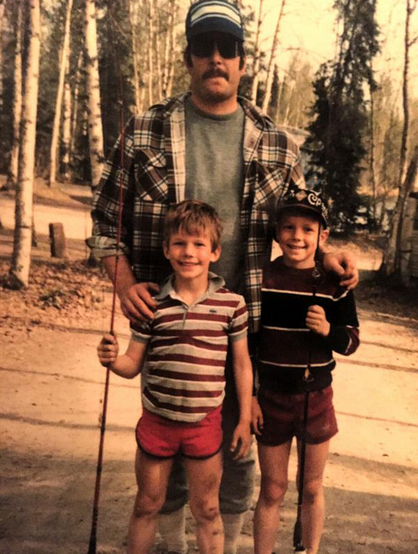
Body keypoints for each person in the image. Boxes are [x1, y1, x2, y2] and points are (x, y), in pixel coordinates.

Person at [87, 1, 358, 551]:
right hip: (168, 327)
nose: (216, 57)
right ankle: (171, 544)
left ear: (242, 60)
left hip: (245, 327)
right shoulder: (144, 130)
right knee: (168, 447)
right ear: (189, 56)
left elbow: (303, 222)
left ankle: (228, 547)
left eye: (227, 48)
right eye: (204, 46)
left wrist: (327, 256)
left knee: (238, 450)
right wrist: (124, 284)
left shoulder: (278, 143)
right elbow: (102, 226)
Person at [97, 200, 253, 554]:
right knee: (147, 504)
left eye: (199, 244)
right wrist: (111, 359)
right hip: (157, 423)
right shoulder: (152, 304)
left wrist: (244, 418)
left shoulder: (233, 305)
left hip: (205, 424)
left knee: (208, 509)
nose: (189, 252)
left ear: (215, 252)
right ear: (166, 249)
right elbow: (131, 364)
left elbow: (242, 364)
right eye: (180, 243)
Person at [251, 186, 360, 554]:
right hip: (270, 397)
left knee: (311, 487)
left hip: (316, 397)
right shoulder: (262, 280)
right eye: (289, 228)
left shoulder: (335, 284)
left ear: (322, 236)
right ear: (277, 232)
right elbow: (247, 345)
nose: (297, 237)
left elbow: (351, 341)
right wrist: (251, 395)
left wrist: (329, 331)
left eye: (308, 229)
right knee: (272, 488)